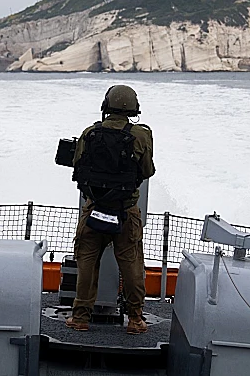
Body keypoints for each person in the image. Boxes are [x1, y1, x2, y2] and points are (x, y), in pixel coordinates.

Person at [66, 85, 155, 334]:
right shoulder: (141, 136)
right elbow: (147, 171)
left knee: (86, 263)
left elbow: (77, 166)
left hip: (93, 209)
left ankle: (80, 317)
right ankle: (136, 319)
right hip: (126, 211)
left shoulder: (90, 133)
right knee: (132, 266)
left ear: (106, 105)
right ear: (133, 108)